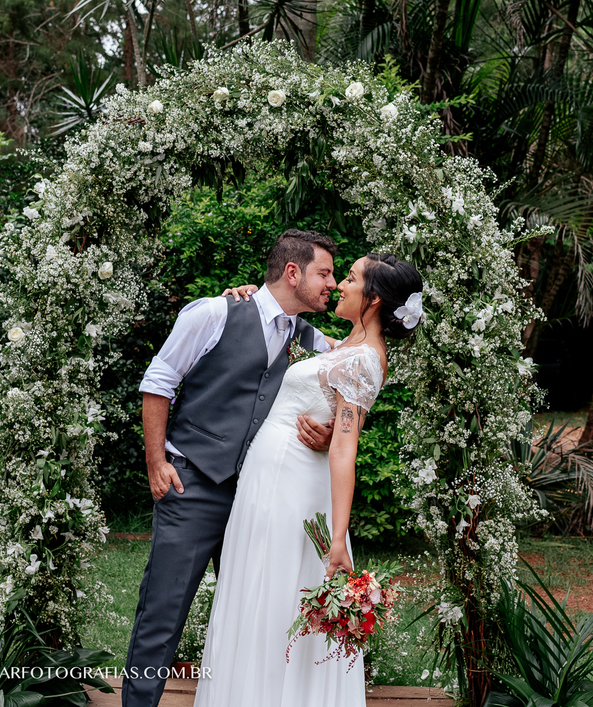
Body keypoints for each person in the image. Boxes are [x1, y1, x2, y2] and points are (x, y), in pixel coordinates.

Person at [193, 253, 424, 707]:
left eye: (352, 279)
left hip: (291, 489)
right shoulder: (346, 347)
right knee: (258, 595)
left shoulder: (363, 360)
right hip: (272, 479)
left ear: (374, 299)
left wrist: (337, 537)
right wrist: (245, 299)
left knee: (275, 598)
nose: (339, 285)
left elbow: (343, 446)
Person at [122, 229, 340, 707]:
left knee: (257, 614)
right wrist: (156, 461)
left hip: (259, 497)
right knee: (164, 612)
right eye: (324, 273)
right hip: (193, 484)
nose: (333, 283)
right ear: (292, 272)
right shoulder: (215, 312)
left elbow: (340, 401)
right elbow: (158, 380)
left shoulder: (313, 342)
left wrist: (328, 438)